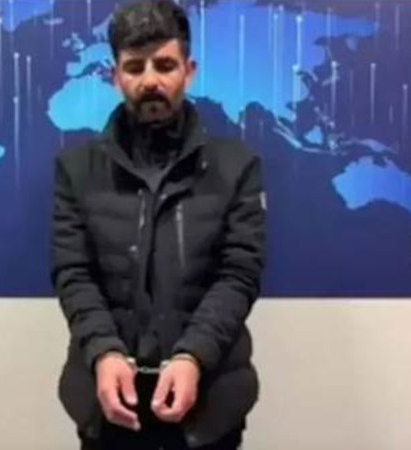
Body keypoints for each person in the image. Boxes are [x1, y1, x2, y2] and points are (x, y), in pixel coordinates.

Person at [51, 1, 266, 448]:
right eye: (135, 67)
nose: (150, 80)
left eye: (164, 65)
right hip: (107, 407)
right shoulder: (75, 169)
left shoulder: (237, 168)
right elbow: (73, 274)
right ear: (115, 77)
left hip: (209, 407)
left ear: (189, 71)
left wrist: (193, 357)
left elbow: (238, 275)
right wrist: (103, 351)